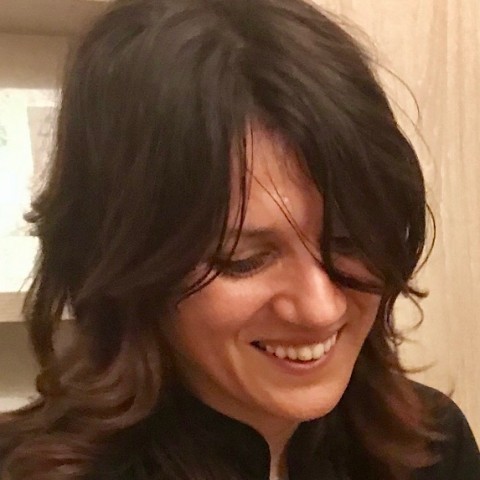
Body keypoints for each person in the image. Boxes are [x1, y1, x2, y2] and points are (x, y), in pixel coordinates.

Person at [1, 0, 479, 478]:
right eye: (244, 259)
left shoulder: (435, 445)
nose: (320, 309)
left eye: (349, 241)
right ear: (127, 261)